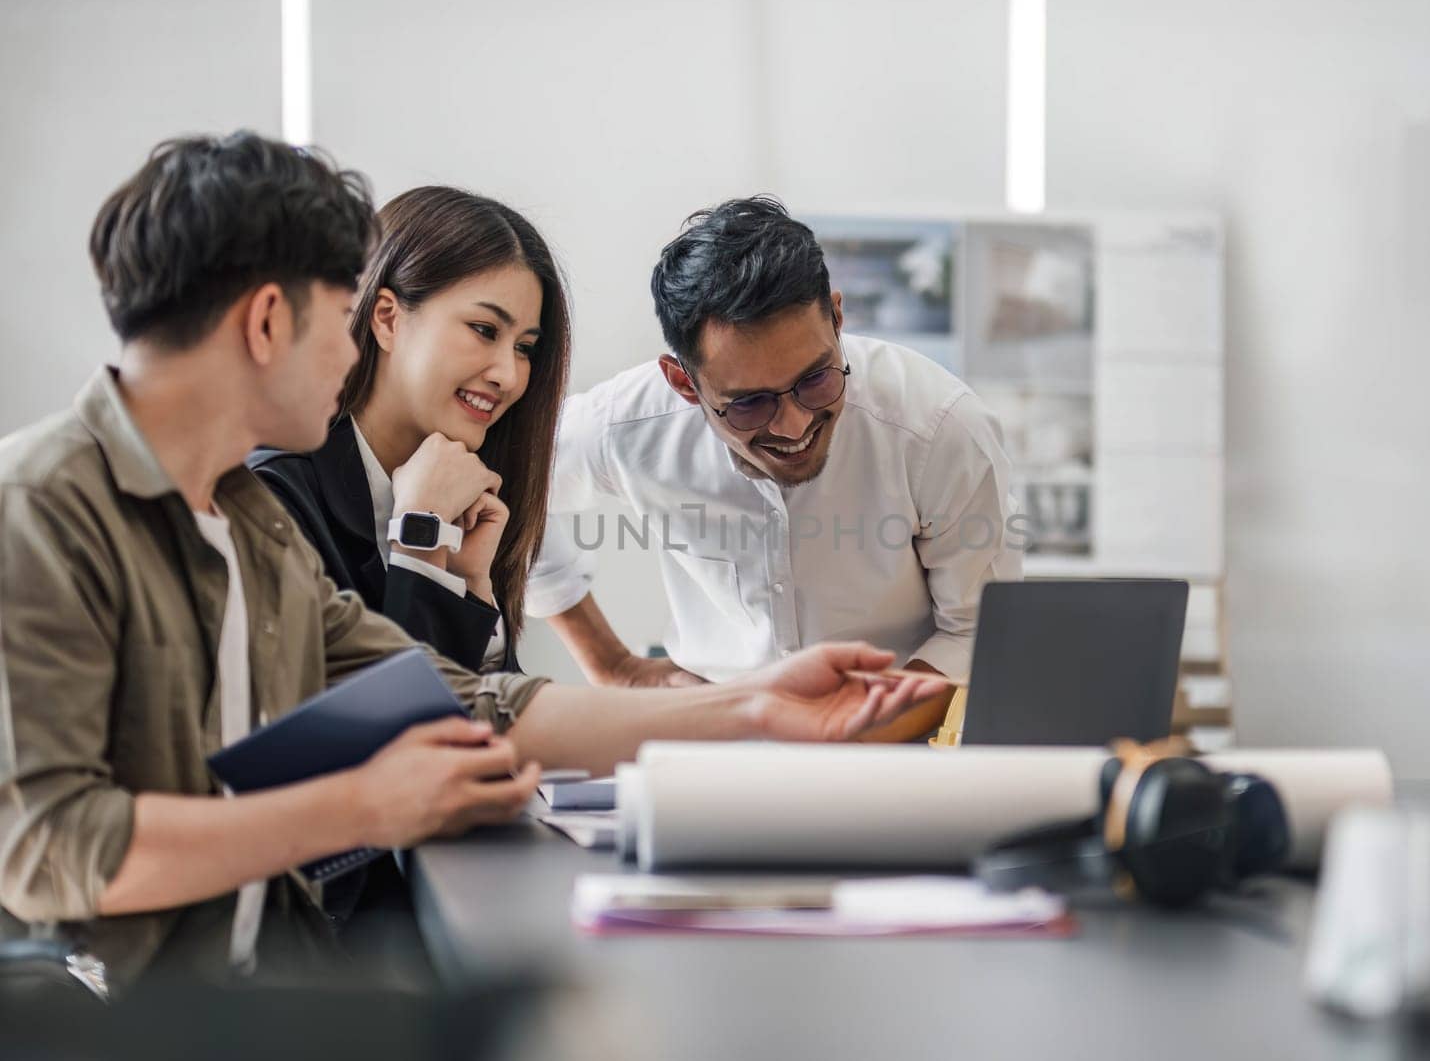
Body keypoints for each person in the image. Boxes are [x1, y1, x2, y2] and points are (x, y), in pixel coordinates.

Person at [0, 134, 943, 991]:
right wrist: (360, 803)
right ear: (265, 323)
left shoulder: (250, 528)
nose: (350, 346)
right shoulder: (40, 507)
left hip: (257, 986)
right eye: (343, 315)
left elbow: (456, 695)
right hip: (110, 1011)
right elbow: (49, 848)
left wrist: (755, 704)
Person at [528, 196, 1022, 741]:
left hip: (898, 746)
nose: (792, 426)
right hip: (713, 743)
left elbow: (975, 632)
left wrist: (843, 745)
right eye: (749, 403)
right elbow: (509, 485)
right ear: (684, 384)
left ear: (836, 318)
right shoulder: (629, 424)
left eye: (816, 380)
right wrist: (612, 666)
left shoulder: (941, 430)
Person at [251, 186, 567, 673]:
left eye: (525, 347)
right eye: (484, 330)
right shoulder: (274, 496)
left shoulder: (474, 500)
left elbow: (488, 725)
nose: (508, 374)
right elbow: (371, 727)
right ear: (387, 318)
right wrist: (422, 539)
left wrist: (471, 588)